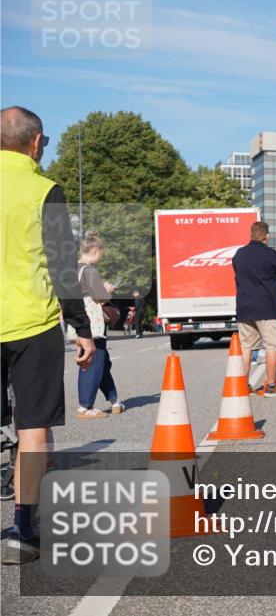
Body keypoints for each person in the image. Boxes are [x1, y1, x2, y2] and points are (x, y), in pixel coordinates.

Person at [1, 106, 95, 564]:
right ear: (35, 142)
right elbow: (62, 266)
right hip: (31, 325)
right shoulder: (44, 191)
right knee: (33, 429)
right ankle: (22, 531)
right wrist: (82, 327)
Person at [232, 221, 276, 396]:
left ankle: (243, 385)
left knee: (247, 347)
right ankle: (272, 385)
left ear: (251, 235)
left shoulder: (239, 254)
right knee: (272, 346)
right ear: (267, 236)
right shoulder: (271, 254)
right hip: (268, 308)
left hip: (244, 308)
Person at [76, 233, 125, 419]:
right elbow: (101, 297)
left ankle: (114, 401)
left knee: (101, 361)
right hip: (93, 323)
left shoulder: (73, 269)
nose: (100, 260)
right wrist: (109, 290)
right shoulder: (89, 271)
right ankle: (84, 406)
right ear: (95, 251)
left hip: (80, 320)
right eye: (100, 255)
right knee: (94, 360)